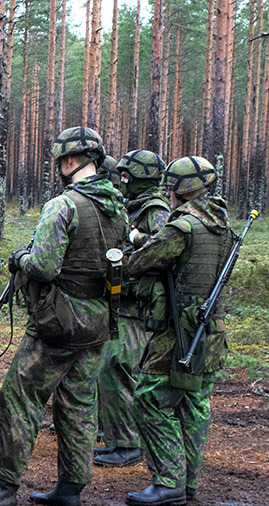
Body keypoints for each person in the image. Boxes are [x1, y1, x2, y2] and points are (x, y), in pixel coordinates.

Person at [0, 126, 127, 506]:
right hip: (97, 318)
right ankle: (70, 489)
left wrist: (20, 258)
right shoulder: (117, 207)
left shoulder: (64, 205)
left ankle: (3, 489)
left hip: (59, 321)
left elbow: (45, 266)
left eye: (60, 160)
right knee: (79, 403)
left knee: (18, 400)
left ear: (68, 160)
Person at [125, 155, 231, 506]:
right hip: (210, 331)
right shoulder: (221, 225)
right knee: (194, 404)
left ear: (183, 189)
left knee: (150, 400)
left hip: (178, 332)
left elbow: (141, 261)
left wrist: (138, 240)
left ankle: (169, 480)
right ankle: (188, 482)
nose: (167, 193)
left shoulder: (183, 227)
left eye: (171, 187)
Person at [93, 150, 170, 468]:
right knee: (110, 367)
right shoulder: (131, 207)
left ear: (143, 179)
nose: (122, 181)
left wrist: (135, 239)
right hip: (120, 300)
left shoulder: (155, 211)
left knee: (119, 367)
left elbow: (163, 249)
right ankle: (116, 438)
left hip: (138, 306)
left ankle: (128, 444)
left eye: (127, 177)